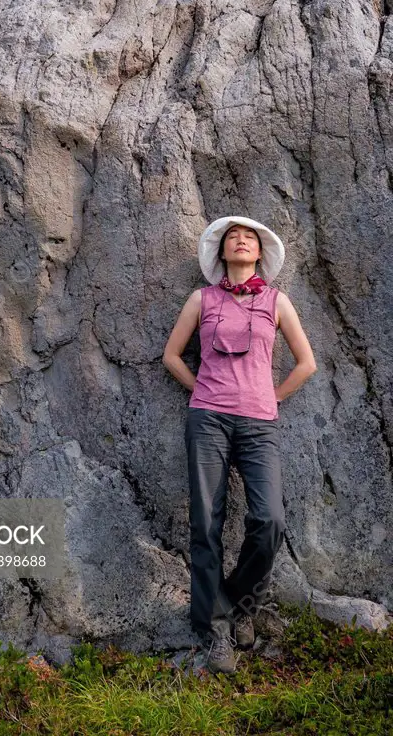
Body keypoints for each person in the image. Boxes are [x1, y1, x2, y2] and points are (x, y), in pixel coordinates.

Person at [162, 215, 316, 674]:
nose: (242, 241)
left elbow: (306, 363)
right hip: (208, 420)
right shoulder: (201, 298)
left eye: (250, 237)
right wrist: (202, 392)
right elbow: (172, 356)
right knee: (206, 523)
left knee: (269, 520)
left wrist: (273, 396)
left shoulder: (276, 301)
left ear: (260, 252)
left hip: (259, 424)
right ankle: (216, 630)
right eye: (233, 237)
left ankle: (241, 603)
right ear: (221, 251)